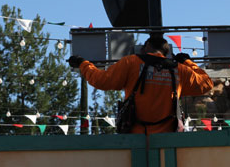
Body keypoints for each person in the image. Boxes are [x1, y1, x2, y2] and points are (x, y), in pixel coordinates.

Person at [67, 35, 213, 134]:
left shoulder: (131, 62)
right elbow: (206, 84)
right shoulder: (178, 69)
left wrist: (83, 64)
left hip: (135, 137)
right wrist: (187, 62)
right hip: (168, 139)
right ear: (166, 52)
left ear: (148, 45)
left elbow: (101, 80)